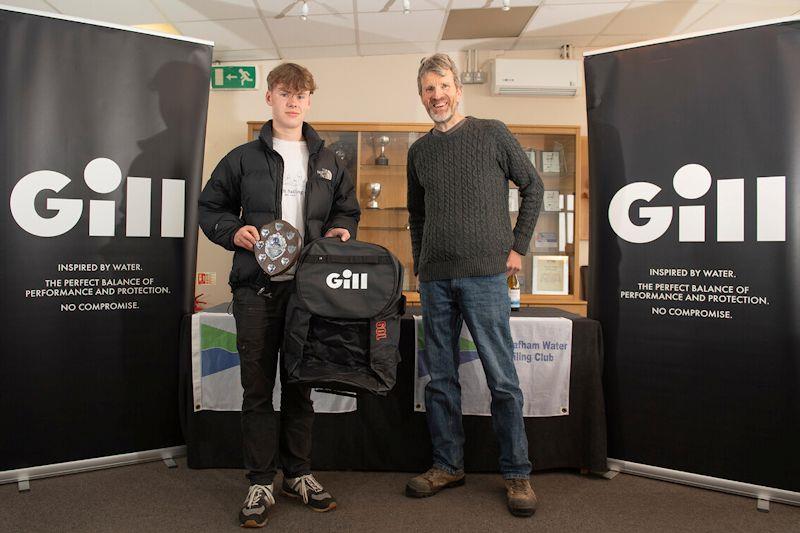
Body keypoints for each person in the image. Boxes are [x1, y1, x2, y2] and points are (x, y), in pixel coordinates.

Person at [199, 63, 360, 528]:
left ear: (310, 100)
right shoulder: (242, 158)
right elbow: (210, 207)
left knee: (299, 386)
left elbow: (348, 212)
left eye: (302, 94)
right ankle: (259, 481)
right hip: (256, 289)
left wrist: (341, 232)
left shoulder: (330, 160)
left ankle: (298, 474)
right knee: (255, 388)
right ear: (269, 97)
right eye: (285, 93)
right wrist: (235, 232)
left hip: (308, 292)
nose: (293, 101)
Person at [405, 53, 544, 517]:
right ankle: (447, 464)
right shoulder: (418, 152)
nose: (436, 96)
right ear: (421, 96)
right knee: (440, 380)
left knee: (502, 379)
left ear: (458, 89)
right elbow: (418, 215)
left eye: (442, 86)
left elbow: (533, 186)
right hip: (436, 280)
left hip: (486, 275)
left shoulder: (492, 132)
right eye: (428, 89)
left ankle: (517, 473)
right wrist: (420, 264)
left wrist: (518, 248)